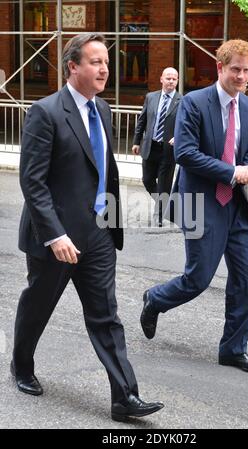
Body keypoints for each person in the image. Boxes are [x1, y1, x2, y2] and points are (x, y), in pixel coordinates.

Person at [11, 33, 164, 422]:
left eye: (106, 62)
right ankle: (21, 365)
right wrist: (55, 234)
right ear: (73, 66)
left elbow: (104, 172)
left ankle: (124, 397)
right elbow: (33, 181)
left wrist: (110, 218)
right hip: (56, 237)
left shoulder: (105, 110)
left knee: (105, 315)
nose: (105, 69)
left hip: (97, 233)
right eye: (95, 61)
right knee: (38, 307)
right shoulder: (44, 112)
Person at [140, 39, 248, 375]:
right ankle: (155, 299)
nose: (242, 76)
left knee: (246, 278)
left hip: (235, 204)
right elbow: (184, 153)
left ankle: (233, 349)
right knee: (198, 278)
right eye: (236, 69)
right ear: (220, 67)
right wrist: (231, 171)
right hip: (200, 202)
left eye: (246, 70)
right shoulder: (195, 102)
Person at [132, 67, 181, 226]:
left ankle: (159, 215)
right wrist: (136, 141)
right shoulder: (151, 97)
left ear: (177, 81)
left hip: (168, 149)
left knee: (164, 185)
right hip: (150, 147)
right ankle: (165, 204)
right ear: (161, 79)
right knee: (147, 180)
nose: (171, 81)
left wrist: (178, 136)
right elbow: (142, 120)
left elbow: (186, 124)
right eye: (168, 78)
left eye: (174, 79)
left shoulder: (183, 100)